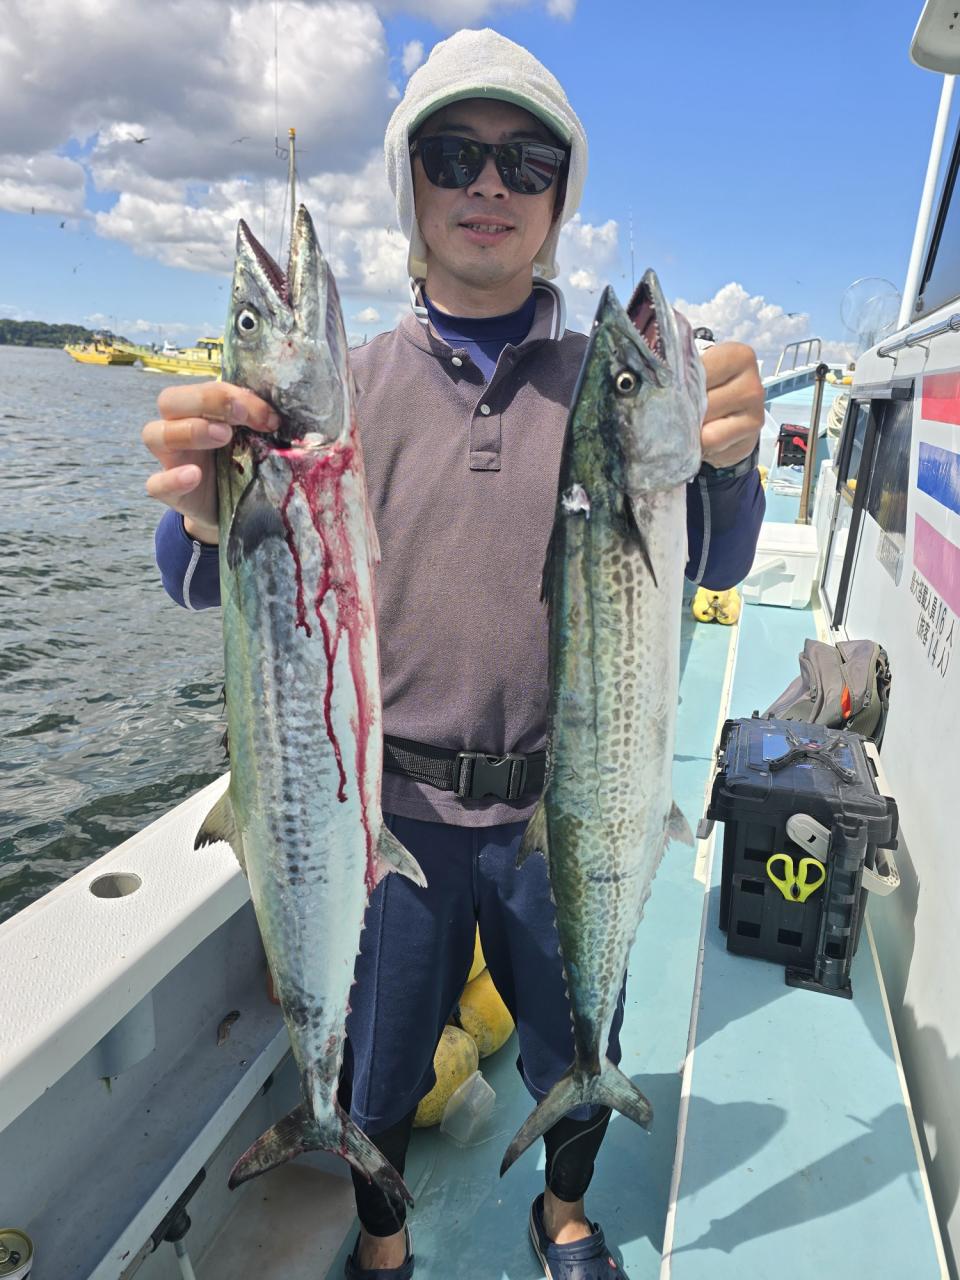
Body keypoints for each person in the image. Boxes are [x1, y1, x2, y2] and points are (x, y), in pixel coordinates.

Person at [142, 28, 765, 1280]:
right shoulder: (347, 386)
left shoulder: (608, 382)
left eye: (527, 162)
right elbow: (202, 576)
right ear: (410, 186)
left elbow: (723, 557)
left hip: (563, 804)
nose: (490, 184)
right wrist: (204, 509)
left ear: (559, 199)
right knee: (378, 1059)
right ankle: (383, 1235)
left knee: (579, 1034)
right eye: (453, 155)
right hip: (391, 811)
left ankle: (563, 1209)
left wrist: (731, 461)